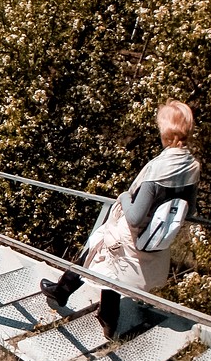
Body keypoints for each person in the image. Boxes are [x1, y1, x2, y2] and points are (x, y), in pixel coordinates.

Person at [41, 100, 200, 338]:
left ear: (166, 130)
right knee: (112, 268)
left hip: (133, 235)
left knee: (99, 245)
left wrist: (124, 197)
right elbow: (192, 209)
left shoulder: (159, 169)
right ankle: (107, 317)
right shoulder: (192, 166)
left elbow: (134, 217)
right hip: (156, 240)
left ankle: (63, 291)